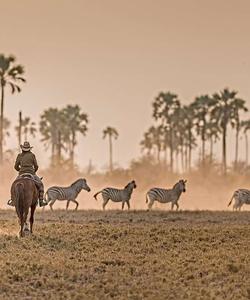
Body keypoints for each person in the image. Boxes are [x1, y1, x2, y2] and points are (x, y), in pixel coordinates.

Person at [8, 141, 47, 207]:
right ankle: (41, 201)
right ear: (29, 148)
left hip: (21, 174)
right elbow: (36, 166)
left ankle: (12, 200)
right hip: (31, 173)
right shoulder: (32, 155)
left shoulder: (19, 155)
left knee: (13, 185)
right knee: (40, 185)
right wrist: (33, 172)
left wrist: (20, 170)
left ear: (22, 148)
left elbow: (15, 166)